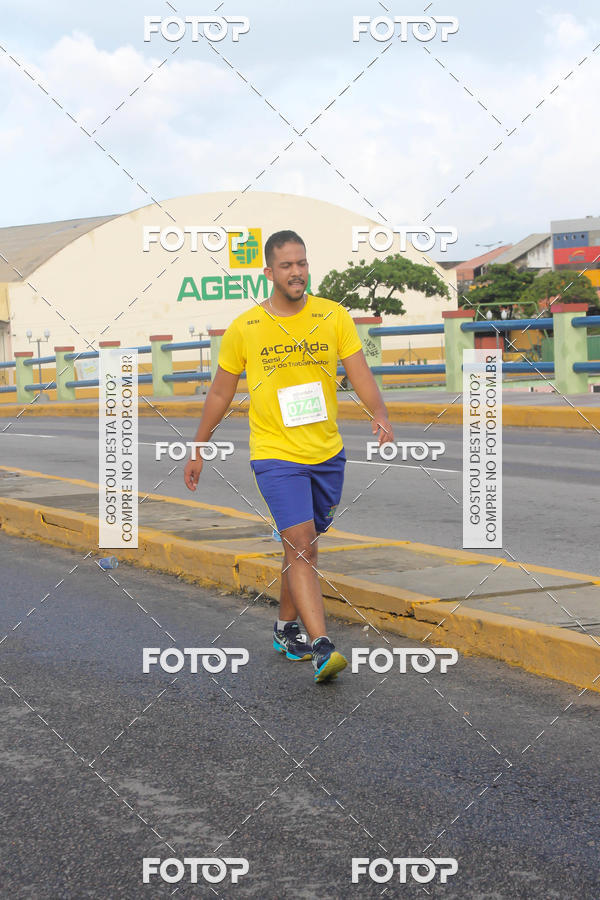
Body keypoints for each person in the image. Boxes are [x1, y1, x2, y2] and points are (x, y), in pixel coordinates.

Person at [184, 230, 394, 683]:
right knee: (301, 544)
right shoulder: (247, 327)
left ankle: (284, 629)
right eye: (286, 265)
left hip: (327, 454)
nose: (296, 272)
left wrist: (378, 413)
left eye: (301, 263)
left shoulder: (332, 316)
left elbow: (359, 370)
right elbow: (221, 391)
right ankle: (322, 646)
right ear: (269, 272)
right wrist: (199, 444)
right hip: (275, 454)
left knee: (301, 545)